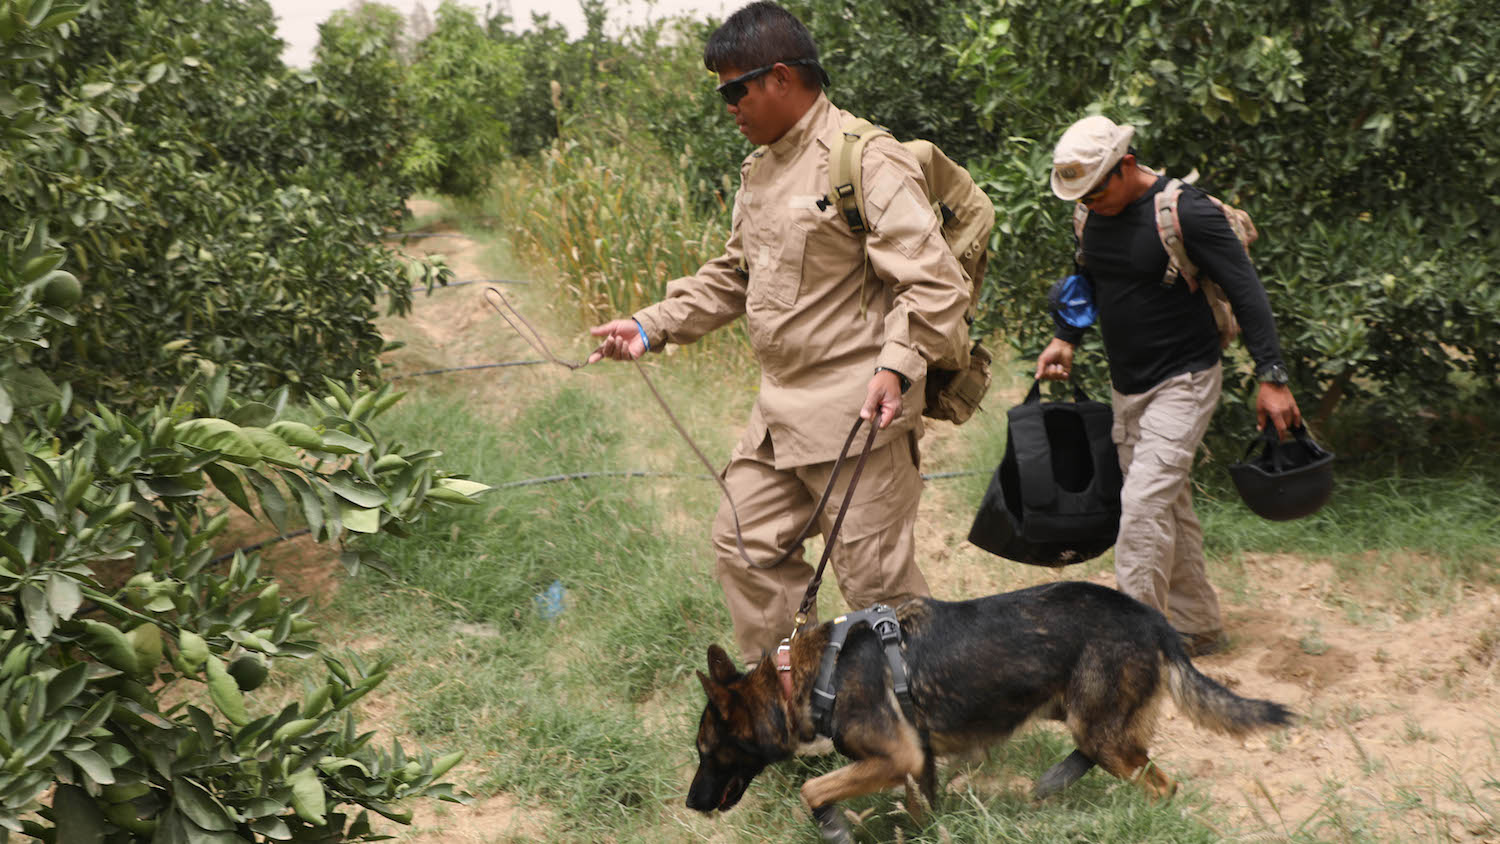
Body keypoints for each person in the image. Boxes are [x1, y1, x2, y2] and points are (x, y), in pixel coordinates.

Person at [587, 1, 971, 666]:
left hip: (858, 418)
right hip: (778, 420)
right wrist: (650, 326)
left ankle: (931, 715)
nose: (729, 107)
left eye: (735, 90)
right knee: (745, 549)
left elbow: (935, 283)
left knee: (880, 596)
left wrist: (897, 364)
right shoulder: (760, 171)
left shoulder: (865, 161)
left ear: (782, 78)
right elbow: (736, 276)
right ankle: (798, 703)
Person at [1036, 115, 1302, 656]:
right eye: (1081, 197)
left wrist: (1272, 376)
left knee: (1140, 509)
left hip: (1186, 380)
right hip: (1127, 386)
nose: (1089, 204)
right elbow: (1089, 278)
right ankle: (1198, 623)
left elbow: (1246, 291)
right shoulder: (1089, 216)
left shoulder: (1185, 212)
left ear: (1127, 165)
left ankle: (1137, 650)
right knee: (1167, 506)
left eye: (1096, 192)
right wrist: (1066, 336)